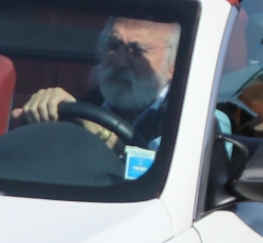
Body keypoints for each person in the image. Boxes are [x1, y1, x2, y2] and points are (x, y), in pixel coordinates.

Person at [15, 15, 181, 150]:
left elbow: (156, 176)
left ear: (172, 65)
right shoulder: (85, 105)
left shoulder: (185, 121)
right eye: (114, 45)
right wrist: (39, 116)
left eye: (137, 51)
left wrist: (95, 129)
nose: (119, 62)